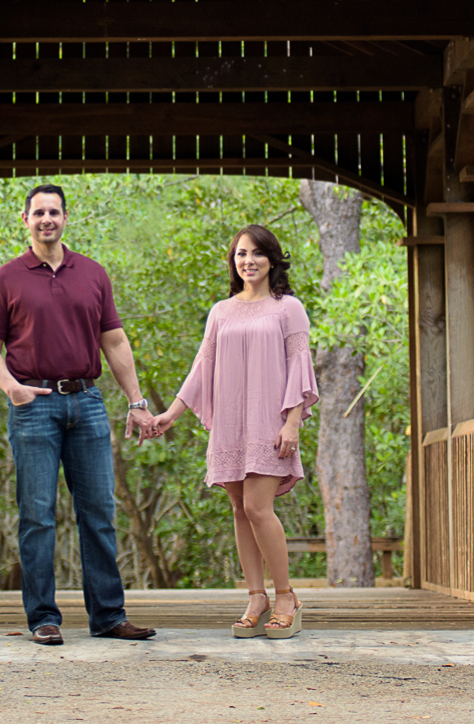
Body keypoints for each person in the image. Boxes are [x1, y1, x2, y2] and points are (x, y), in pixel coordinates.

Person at [0, 183, 159, 646]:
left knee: (99, 512)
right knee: (37, 515)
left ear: (65, 217)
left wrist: (136, 402)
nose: (46, 220)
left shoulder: (93, 274)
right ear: (25, 220)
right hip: (34, 406)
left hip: (88, 403)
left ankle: (108, 617)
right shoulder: (6, 279)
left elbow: (114, 342)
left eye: (54, 212)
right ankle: (43, 618)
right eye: (38, 213)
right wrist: (12, 389)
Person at [149, 223, 318, 639]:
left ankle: (285, 596)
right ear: (233, 261)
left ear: (272, 259)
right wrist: (171, 413)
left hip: (269, 423)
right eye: (241, 254)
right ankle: (255, 595)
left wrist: (293, 421)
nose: (249, 261)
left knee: (260, 509)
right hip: (229, 425)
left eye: (257, 253)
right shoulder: (221, 311)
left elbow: (300, 366)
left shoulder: (287, 307)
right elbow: (202, 366)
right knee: (241, 511)